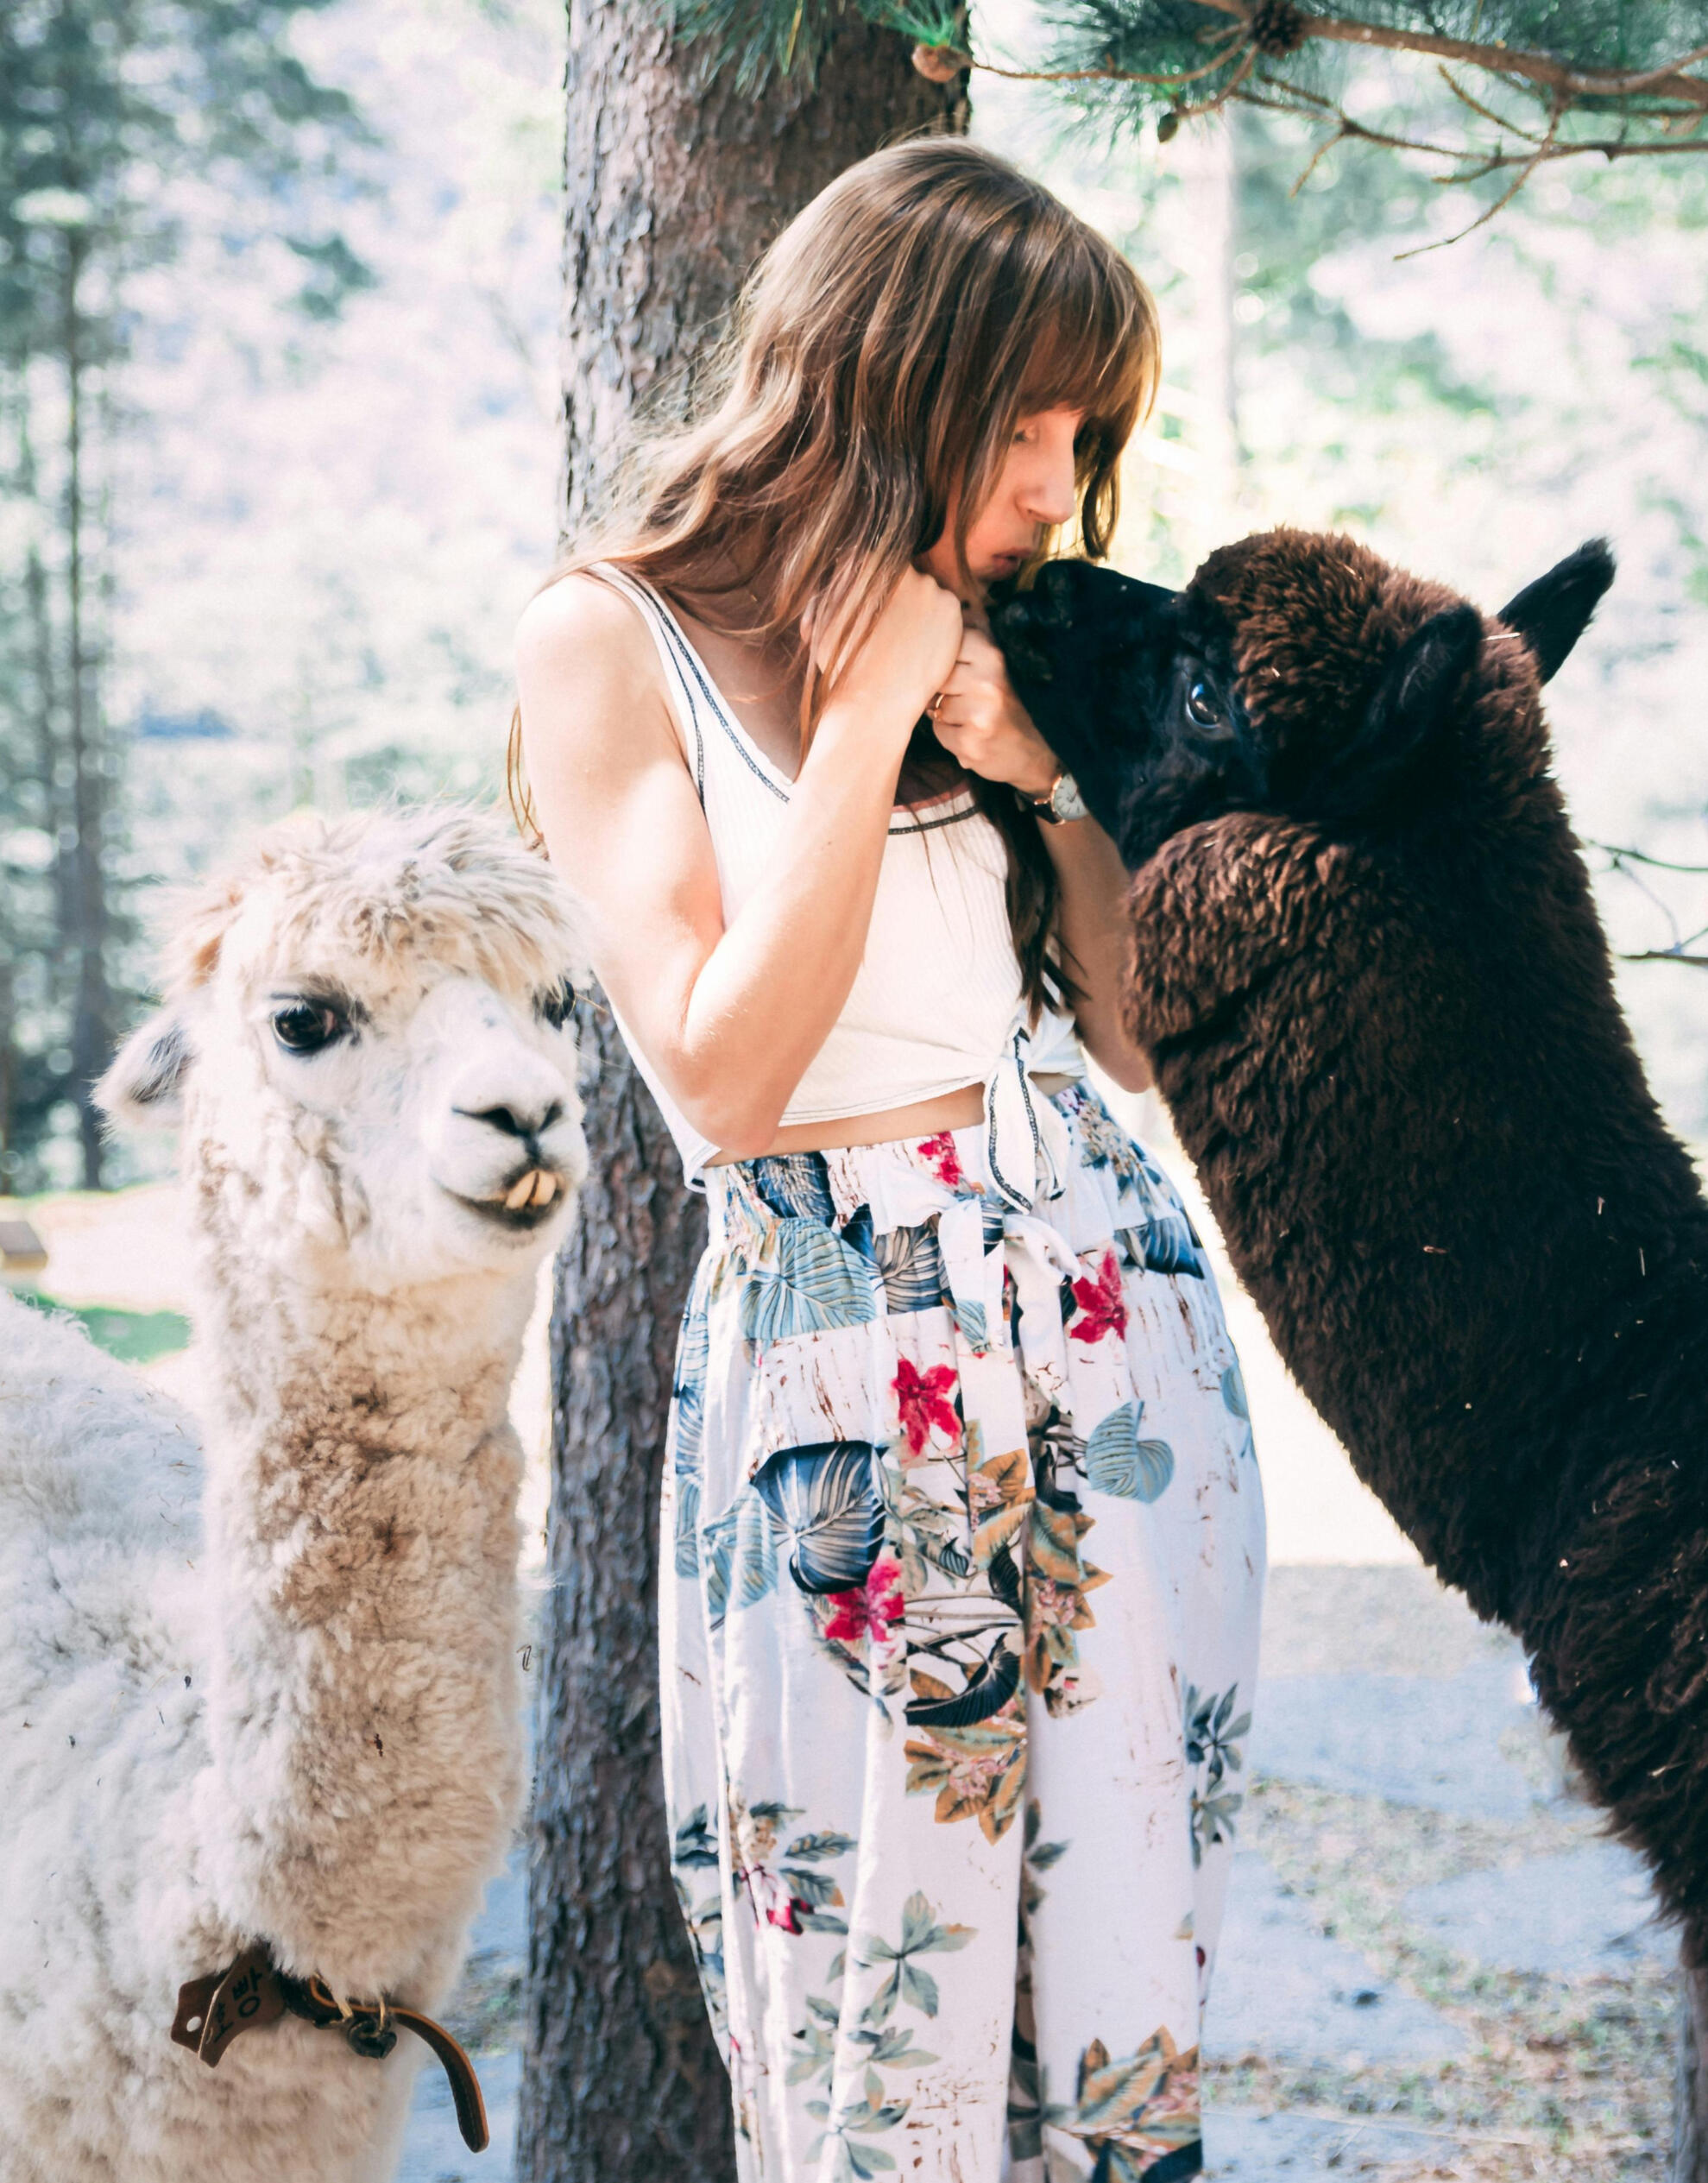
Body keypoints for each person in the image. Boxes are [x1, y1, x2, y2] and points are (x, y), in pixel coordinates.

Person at [514, 136, 1265, 2183]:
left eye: (1082, 435)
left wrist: (1055, 775)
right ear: (891, 375)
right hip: (852, 1364)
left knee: (1117, 2020)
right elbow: (727, 1074)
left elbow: (1128, 1030)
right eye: (1027, 424)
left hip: (1104, 1317)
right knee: (879, 2033)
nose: (1052, 484)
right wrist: (860, 716)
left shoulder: (1010, 641)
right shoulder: (613, 641)